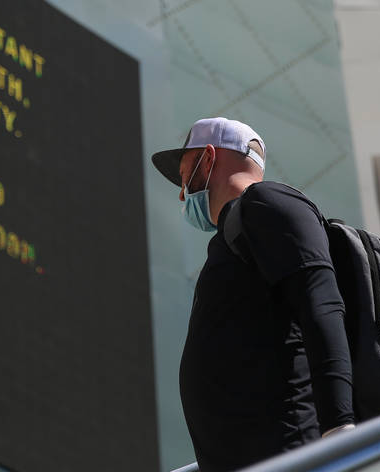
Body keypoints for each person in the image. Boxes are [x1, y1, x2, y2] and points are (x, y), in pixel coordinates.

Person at [152, 117, 355, 472]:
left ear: (209, 158)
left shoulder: (267, 202)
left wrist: (340, 430)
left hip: (289, 455)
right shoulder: (232, 236)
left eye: (185, 175)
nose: (183, 193)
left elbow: (321, 304)